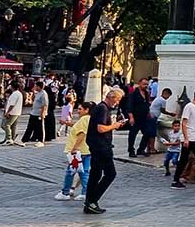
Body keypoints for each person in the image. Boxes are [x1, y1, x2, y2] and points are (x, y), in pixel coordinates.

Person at [83, 87, 128, 215]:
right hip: (101, 146)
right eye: (117, 99)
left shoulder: (101, 108)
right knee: (110, 173)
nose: (118, 103)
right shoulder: (102, 108)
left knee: (95, 174)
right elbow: (101, 128)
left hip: (96, 145)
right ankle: (92, 199)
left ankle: (89, 202)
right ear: (112, 98)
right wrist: (115, 125)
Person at [55, 101, 90, 201]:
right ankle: (85, 192)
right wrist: (67, 123)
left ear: (87, 110)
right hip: (85, 150)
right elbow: (77, 127)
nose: (78, 111)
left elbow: (81, 134)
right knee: (84, 172)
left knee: (70, 172)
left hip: (79, 151)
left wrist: (74, 148)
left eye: (80, 109)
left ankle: (65, 192)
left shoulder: (84, 119)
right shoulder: (88, 119)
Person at [124, 78, 152, 157]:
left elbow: (147, 104)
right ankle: (131, 150)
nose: (145, 86)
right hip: (135, 117)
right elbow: (129, 106)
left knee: (147, 133)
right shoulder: (133, 94)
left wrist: (149, 112)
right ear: (139, 83)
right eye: (144, 84)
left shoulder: (146, 93)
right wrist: (131, 117)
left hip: (144, 117)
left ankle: (141, 149)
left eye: (146, 84)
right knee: (133, 134)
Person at [23, 81, 47, 146]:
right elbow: (34, 100)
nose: (34, 87)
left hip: (39, 113)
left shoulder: (43, 94)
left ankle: (41, 140)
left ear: (39, 86)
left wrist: (42, 113)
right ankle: (24, 140)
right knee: (30, 127)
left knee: (40, 127)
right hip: (33, 112)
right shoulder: (38, 93)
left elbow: (44, 105)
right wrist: (33, 92)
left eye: (35, 86)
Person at [0, 81, 23, 146]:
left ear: (12, 87)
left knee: (6, 125)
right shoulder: (19, 93)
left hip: (12, 112)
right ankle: (13, 138)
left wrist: (7, 112)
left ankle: (9, 138)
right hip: (17, 112)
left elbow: (12, 105)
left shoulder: (14, 94)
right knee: (13, 126)